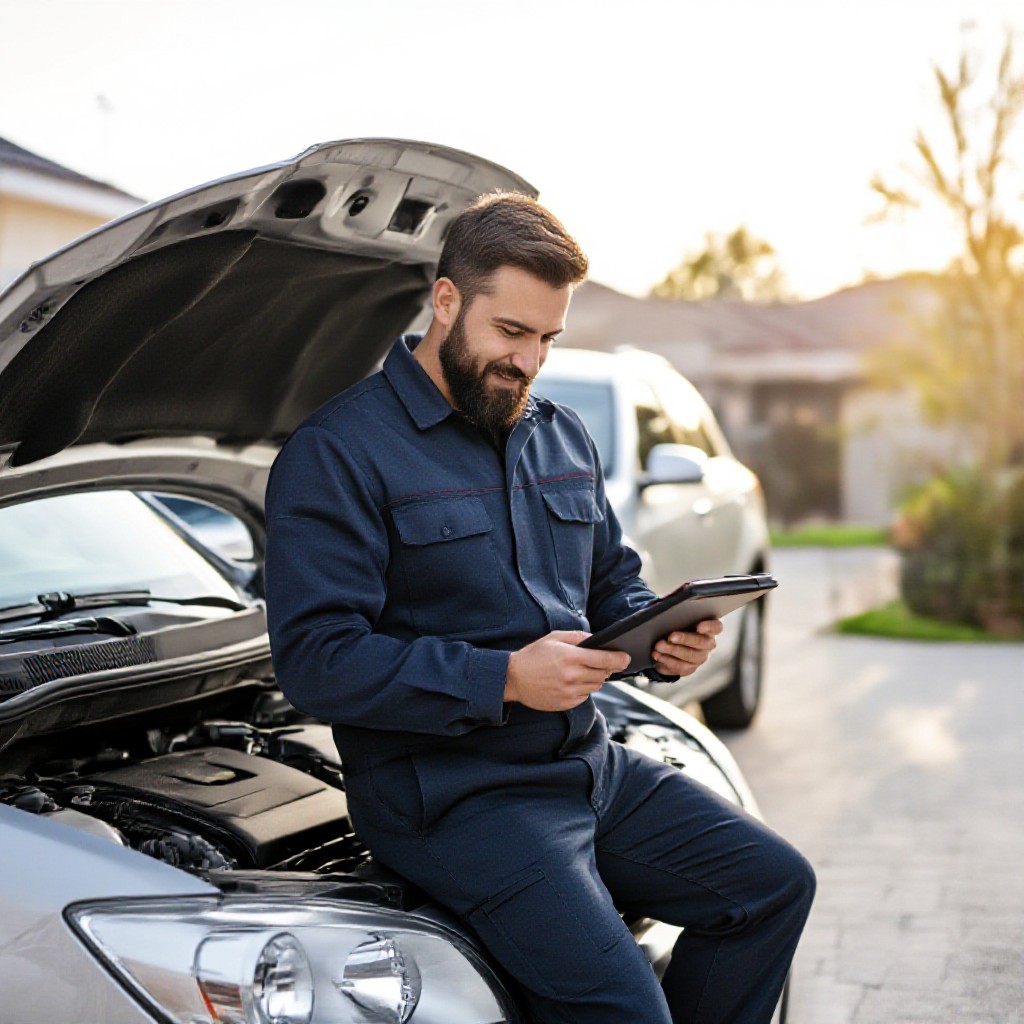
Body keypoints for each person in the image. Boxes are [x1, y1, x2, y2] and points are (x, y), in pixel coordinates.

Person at [263, 192, 815, 1023]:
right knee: (628, 1012)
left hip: (587, 766)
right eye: (511, 333)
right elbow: (318, 662)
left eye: (548, 338)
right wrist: (507, 679)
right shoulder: (337, 453)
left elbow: (610, 582)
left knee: (773, 887)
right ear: (445, 301)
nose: (529, 362)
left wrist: (658, 636)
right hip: (453, 801)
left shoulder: (559, 435)